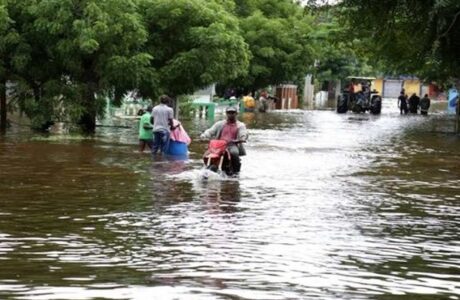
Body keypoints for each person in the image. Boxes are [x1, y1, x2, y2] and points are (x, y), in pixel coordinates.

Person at [200, 106, 248, 173]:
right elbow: (210, 131)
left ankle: (236, 172)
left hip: (232, 145)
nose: (231, 114)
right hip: (219, 145)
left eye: (233, 112)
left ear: (236, 114)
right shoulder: (220, 124)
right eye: (229, 112)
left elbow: (243, 133)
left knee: (234, 153)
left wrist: (242, 138)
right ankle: (206, 167)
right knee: (206, 155)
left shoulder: (240, 125)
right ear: (226, 113)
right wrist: (204, 135)